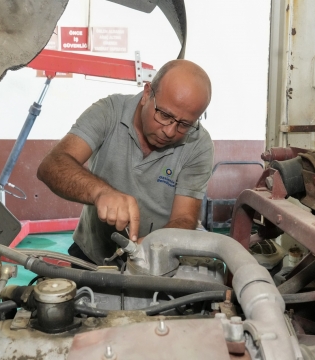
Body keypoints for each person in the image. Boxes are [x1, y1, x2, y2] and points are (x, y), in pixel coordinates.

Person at [37, 59, 213, 265]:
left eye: (185, 124)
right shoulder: (109, 112)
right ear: (147, 93)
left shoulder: (199, 145)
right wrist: (100, 192)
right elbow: (51, 165)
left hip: (154, 262)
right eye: (164, 115)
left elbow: (185, 218)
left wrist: (152, 246)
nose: (170, 131)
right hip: (91, 254)